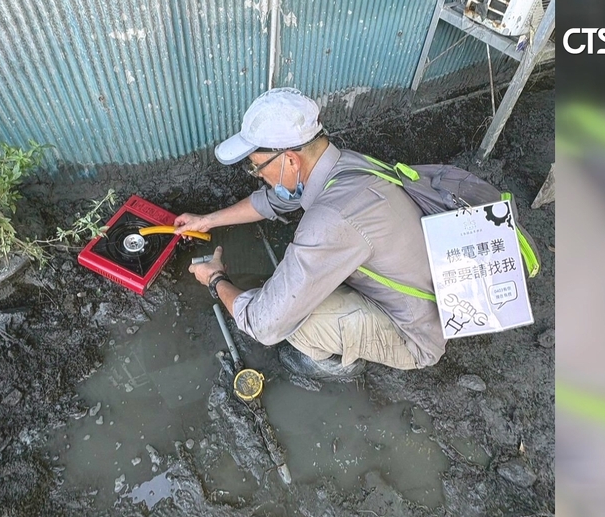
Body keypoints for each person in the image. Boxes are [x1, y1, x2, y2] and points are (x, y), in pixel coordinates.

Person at [175, 88, 445, 380]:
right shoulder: (343, 165)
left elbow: (264, 323)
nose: (258, 176)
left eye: (257, 167)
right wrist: (207, 221)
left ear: (290, 160)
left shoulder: (332, 219)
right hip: (428, 288)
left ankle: (339, 365)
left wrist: (215, 280)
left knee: (295, 324)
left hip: (417, 333)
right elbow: (275, 200)